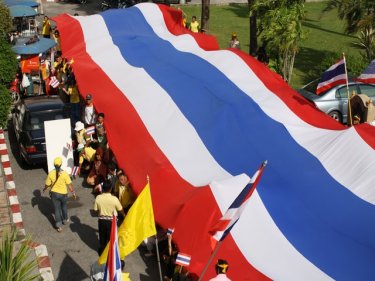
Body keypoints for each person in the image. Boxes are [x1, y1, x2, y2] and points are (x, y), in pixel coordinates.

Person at [43, 157, 76, 232]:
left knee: (57, 209)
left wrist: (44, 189)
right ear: (61, 164)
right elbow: (69, 184)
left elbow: (47, 184)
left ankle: (59, 226)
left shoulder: (51, 173)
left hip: (54, 194)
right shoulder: (64, 173)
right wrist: (73, 192)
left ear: (54, 165)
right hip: (63, 194)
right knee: (64, 206)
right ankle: (65, 219)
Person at [94, 180, 125, 255]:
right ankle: (111, 253)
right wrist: (124, 216)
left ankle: (102, 252)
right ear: (111, 188)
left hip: (101, 221)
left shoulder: (98, 197)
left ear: (103, 188)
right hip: (112, 222)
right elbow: (121, 210)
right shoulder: (114, 199)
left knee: (102, 236)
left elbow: (95, 210)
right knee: (111, 238)